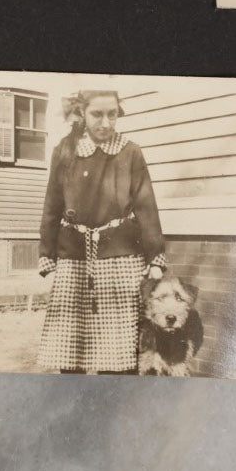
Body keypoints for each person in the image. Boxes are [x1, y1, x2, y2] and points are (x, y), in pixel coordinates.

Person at [37, 89, 167, 374]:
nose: (106, 123)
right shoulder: (66, 150)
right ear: (82, 113)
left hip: (121, 260)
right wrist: (47, 255)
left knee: (118, 354)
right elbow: (52, 204)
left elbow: (147, 206)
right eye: (97, 114)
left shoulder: (130, 151)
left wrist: (155, 258)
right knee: (70, 355)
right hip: (73, 260)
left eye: (112, 114)